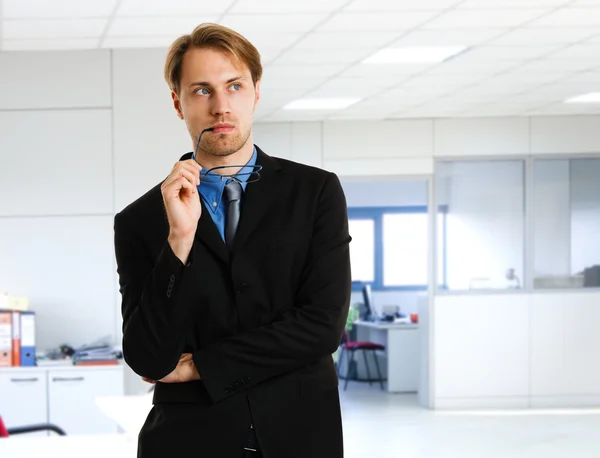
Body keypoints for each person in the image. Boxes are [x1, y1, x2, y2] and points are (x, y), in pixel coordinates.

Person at [113, 22, 351, 458]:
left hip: (299, 437)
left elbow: (322, 326)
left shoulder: (315, 192)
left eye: (234, 86)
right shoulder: (140, 220)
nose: (221, 106)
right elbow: (149, 359)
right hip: (187, 443)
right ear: (178, 103)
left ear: (256, 92)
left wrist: (200, 366)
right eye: (202, 90)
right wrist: (179, 241)